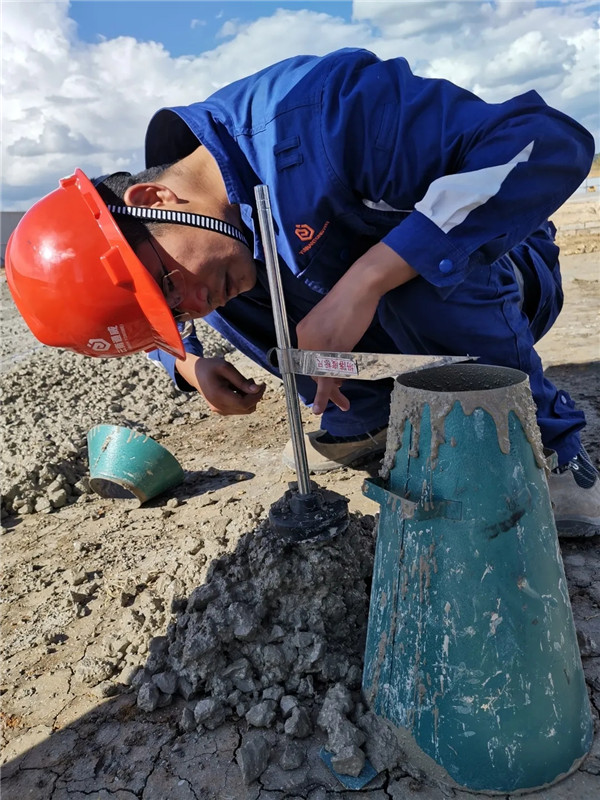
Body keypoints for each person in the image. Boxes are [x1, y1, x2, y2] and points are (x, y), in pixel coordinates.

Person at [6, 48, 598, 537]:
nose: (195, 309)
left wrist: (370, 278)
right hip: (352, 299)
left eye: (170, 290)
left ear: (154, 200)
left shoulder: (323, 115)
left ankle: (549, 448)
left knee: (405, 268)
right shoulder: (182, 228)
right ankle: (376, 416)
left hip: (507, 267)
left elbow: (546, 142)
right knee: (230, 275)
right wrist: (188, 362)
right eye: (174, 313)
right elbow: (160, 312)